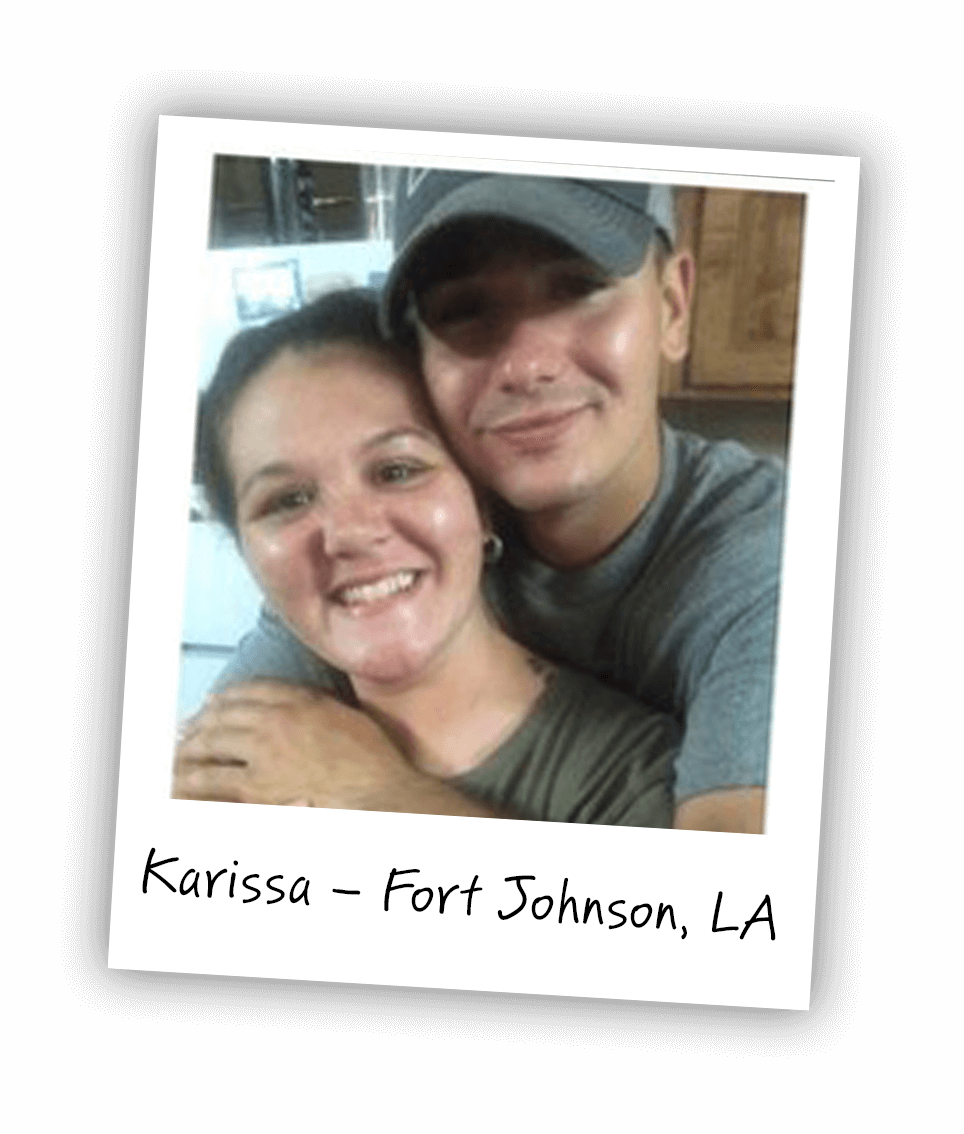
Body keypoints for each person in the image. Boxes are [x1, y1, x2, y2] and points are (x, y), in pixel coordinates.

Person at [210, 172, 786, 834]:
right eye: (464, 310)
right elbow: (229, 759)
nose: (525, 367)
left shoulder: (771, 571)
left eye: (578, 288)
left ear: (674, 307)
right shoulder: (412, 525)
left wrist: (378, 789)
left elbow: (732, 891)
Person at [175, 288, 679, 825]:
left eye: (397, 471)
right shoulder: (235, 760)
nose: (350, 533)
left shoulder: (634, 783)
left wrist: (380, 792)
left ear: (482, 504)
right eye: (287, 500)